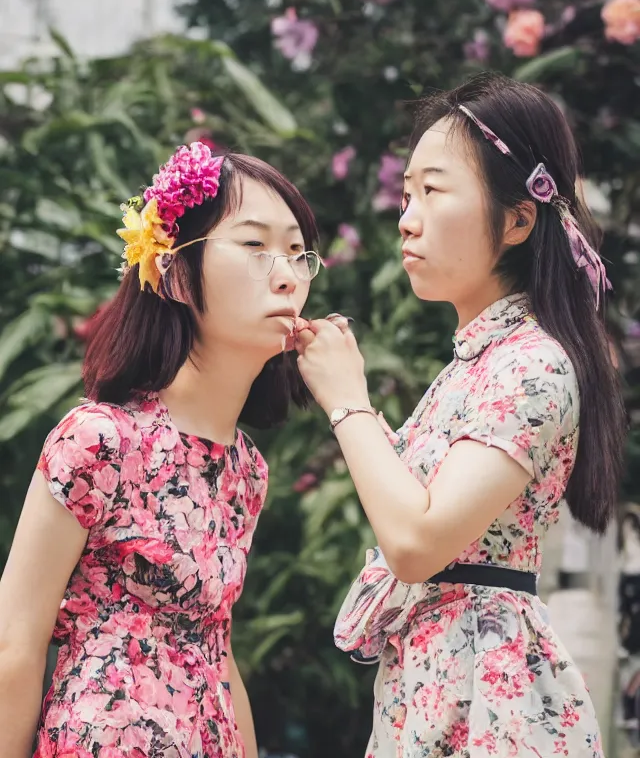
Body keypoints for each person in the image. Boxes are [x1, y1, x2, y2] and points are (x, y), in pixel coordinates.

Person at [293, 72, 626, 756]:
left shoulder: (532, 363)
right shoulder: (479, 362)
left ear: (517, 218)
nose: (406, 216)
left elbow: (416, 543)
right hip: (441, 681)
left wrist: (348, 399)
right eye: (407, 192)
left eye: (434, 190)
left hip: (484, 701)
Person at [0, 143, 322, 758]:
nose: (286, 273)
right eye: (255, 245)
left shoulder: (246, 470)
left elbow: (217, 653)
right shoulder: (98, 440)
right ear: (173, 271)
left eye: (297, 252)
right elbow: (14, 642)